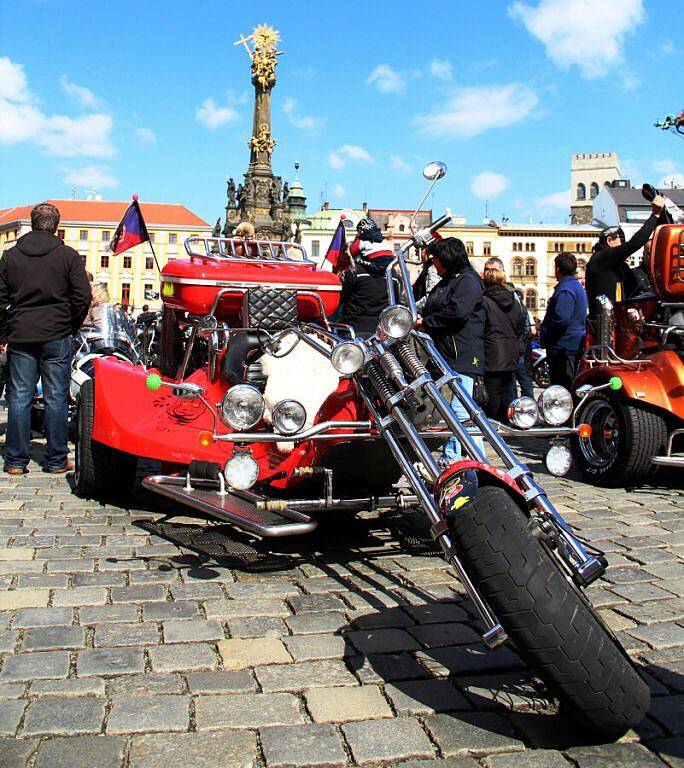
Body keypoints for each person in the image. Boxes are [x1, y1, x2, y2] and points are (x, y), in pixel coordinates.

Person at [0, 202, 91, 474]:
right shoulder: (68, 256)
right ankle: (56, 459)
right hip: (57, 333)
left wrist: (5, 331)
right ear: (57, 227)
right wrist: (70, 325)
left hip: (22, 333)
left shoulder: (10, 256)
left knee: (19, 397)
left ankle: (15, 461)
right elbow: (83, 296)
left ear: (30, 223)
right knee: (55, 398)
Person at [419, 237, 485, 463]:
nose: (433, 265)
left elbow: (457, 312)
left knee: (460, 410)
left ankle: (454, 459)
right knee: (454, 411)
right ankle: (474, 460)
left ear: (445, 258)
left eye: (435, 260)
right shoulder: (448, 281)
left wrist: (426, 322)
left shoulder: (468, 281)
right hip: (444, 355)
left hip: (461, 355)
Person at [585, 195, 665, 322]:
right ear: (609, 240)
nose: (622, 246)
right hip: (604, 326)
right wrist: (654, 216)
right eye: (620, 242)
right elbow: (633, 245)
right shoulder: (602, 258)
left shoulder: (616, 265)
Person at [338, 217, 396, 336]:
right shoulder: (392, 274)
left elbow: (341, 297)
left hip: (354, 331)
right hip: (382, 333)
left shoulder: (355, 271)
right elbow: (398, 300)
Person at [482, 266, 524, 421]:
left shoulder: (484, 301)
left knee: (492, 391)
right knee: (507, 390)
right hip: (511, 349)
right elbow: (520, 323)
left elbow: (481, 325)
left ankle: (492, 424)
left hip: (491, 350)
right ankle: (506, 422)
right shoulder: (514, 300)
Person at [540, 252, 587, 389]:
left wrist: (546, 330)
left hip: (564, 347)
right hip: (571, 344)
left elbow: (561, 318)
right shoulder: (575, 286)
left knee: (562, 388)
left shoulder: (566, 289)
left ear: (557, 269)